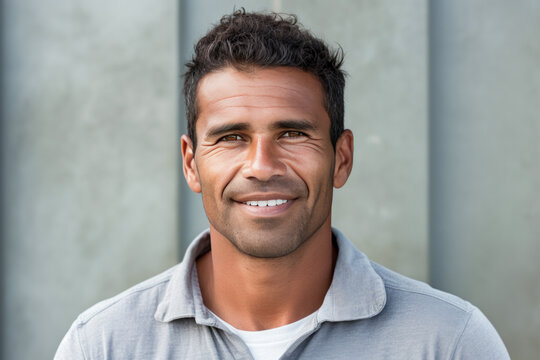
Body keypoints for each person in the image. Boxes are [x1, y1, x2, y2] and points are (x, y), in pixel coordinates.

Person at [55, 10, 510, 359]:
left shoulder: (449, 342)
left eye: (292, 134)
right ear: (192, 164)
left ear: (342, 158)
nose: (262, 165)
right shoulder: (103, 344)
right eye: (232, 137)